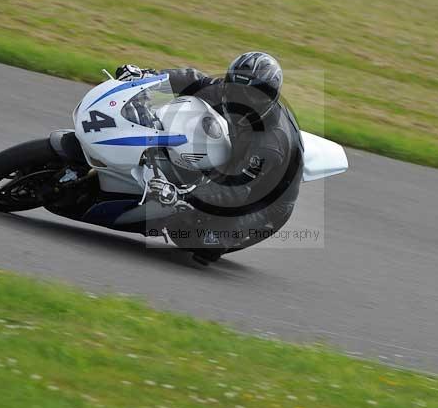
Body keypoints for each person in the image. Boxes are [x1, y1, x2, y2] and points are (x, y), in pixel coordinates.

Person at [116, 52, 304, 262]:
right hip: (235, 156)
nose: (241, 98)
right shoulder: (227, 93)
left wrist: (182, 197)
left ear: (268, 97)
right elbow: (191, 80)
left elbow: (238, 190)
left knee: (202, 239)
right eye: (235, 87)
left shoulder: (270, 144)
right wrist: (147, 78)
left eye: (251, 94)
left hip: (263, 201)